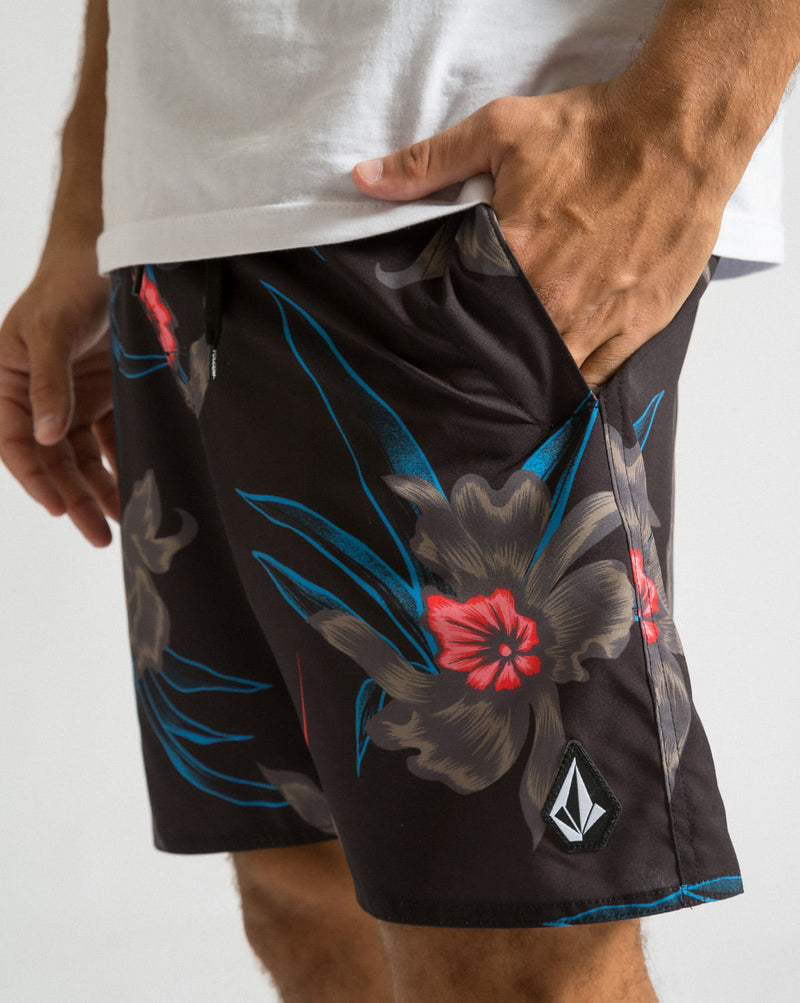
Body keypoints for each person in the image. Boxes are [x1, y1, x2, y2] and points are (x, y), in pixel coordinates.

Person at [0, 2, 796, 1000]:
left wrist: (681, 131)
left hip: (454, 189)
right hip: (176, 223)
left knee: (521, 955)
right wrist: (88, 208)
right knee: (300, 882)